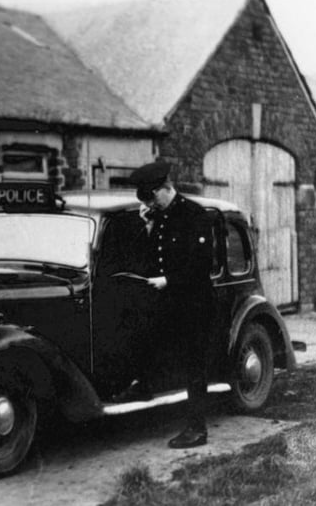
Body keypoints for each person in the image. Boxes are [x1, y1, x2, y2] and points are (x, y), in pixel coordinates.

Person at [121, 161, 216, 449]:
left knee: (193, 366)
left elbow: (201, 264)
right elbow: (147, 255)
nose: (151, 204)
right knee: (144, 337)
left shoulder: (194, 215)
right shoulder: (159, 217)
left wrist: (169, 281)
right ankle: (143, 390)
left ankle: (197, 429)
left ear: (165, 189)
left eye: (152, 197)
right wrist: (147, 224)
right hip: (170, 303)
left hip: (194, 304)